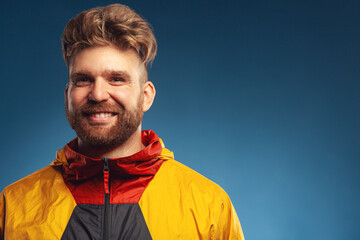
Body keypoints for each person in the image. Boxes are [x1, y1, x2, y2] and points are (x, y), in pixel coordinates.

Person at [0, 4, 245, 239]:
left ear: (146, 96)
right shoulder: (13, 205)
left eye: (116, 79)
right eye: (83, 80)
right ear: (67, 95)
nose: (97, 94)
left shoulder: (209, 205)